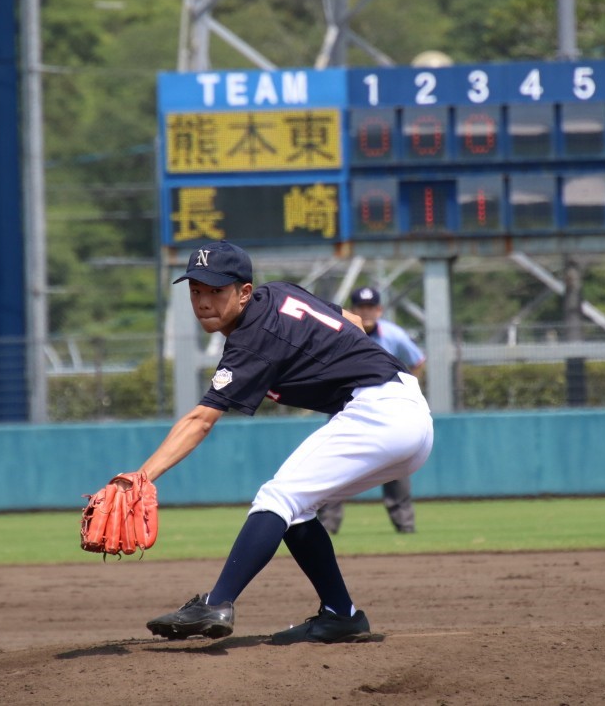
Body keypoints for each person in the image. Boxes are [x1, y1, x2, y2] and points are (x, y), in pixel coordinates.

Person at [138, 240, 433, 644]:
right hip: (407, 412)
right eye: (196, 291)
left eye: (216, 290)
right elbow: (354, 321)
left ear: (244, 292)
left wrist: (141, 477)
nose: (204, 302)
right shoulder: (280, 293)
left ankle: (217, 602)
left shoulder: (250, 340)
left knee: (276, 498)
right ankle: (340, 614)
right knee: (296, 507)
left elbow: (200, 421)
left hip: (379, 410)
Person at [317, 286, 426, 534]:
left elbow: (418, 360)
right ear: (352, 310)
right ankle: (327, 526)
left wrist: (408, 389)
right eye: (360, 307)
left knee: (397, 467)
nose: (365, 312)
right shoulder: (338, 333)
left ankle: (405, 528)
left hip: (388, 410)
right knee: (332, 465)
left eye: (370, 307)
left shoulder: (393, 335)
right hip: (347, 407)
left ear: (379, 310)